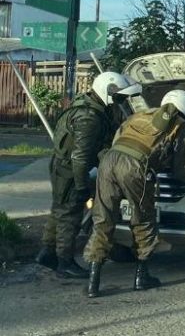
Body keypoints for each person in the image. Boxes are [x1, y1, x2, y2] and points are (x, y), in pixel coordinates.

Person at [83, 89, 185, 298]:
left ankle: (93, 282)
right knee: (143, 220)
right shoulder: (180, 126)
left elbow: (119, 137)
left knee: (103, 218)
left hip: (109, 162)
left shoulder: (139, 115)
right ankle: (141, 276)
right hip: (134, 167)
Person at [35, 72, 141, 278]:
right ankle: (64, 262)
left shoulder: (87, 105)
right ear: (107, 91)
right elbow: (81, 157)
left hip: (62, 166)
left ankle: (47, 252)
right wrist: (82, 186)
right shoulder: (89, 118)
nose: (120, 101)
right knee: (70, 214)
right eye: (118, 96)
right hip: (70, 170)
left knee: (59, 209)